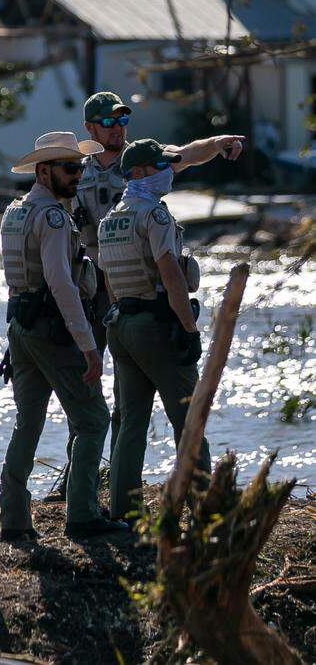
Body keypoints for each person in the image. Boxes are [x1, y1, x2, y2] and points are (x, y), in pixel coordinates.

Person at [50, 91, 244, 499]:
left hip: (135, 285)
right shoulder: (74, 173)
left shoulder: (144, 159)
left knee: (129, 405)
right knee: (86, 391)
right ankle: (77, 479)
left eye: (122, 120)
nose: (117, 128)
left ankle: (122, 495)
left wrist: (222, 140)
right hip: (92, 289)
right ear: (90, 129)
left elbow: (188, 153)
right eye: (107, 122)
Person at [0, 132, 128, 541]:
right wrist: (88, 344)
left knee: (28, 422)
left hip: (21, 327)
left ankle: (13, 518)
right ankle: (83, 515)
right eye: (70, 168)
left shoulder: (13, 212)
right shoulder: (53, 217)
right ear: (43, 171)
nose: (77, 175)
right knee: (93, 420)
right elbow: (62, 284)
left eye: (80, 168)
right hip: (54, 330)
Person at [98, 139, 219, 521]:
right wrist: (188, 327)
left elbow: (108, 281)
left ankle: (124, 511)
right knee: (189, 417)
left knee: (131, 422)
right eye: (159, 166)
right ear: (137, 173)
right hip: (156, 326)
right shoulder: (154, 215)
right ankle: (206, 511)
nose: (167, 172)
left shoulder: (109, 219)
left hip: (121, 326)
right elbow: (170, 272)